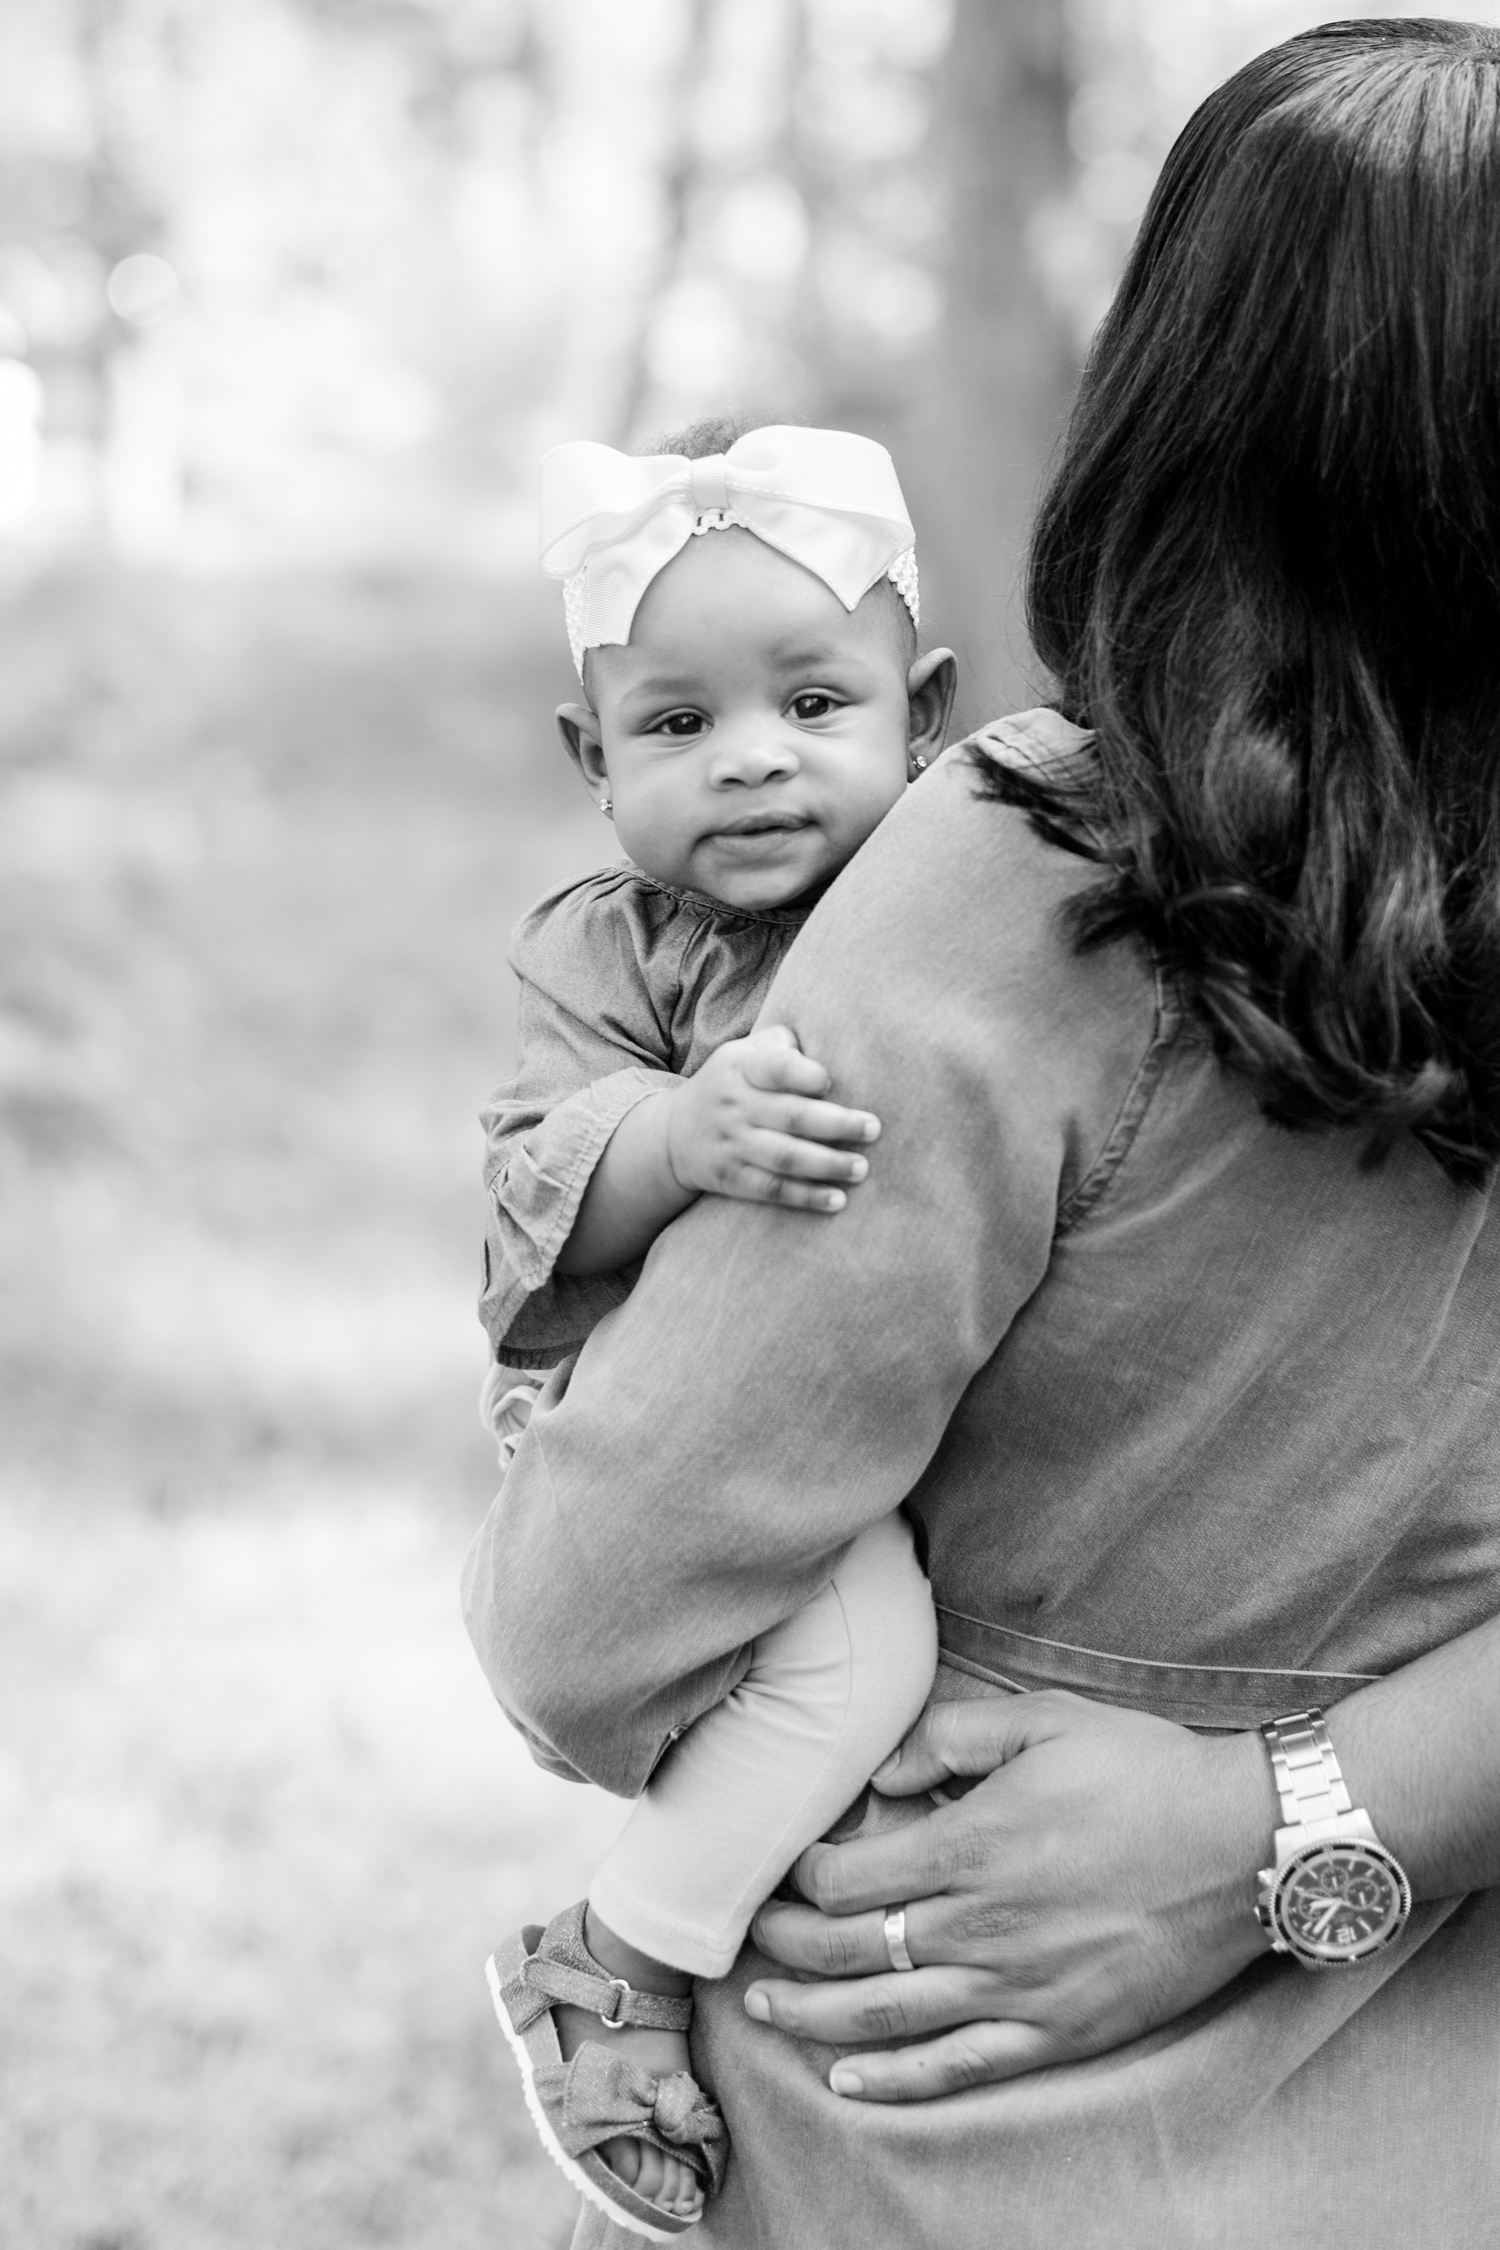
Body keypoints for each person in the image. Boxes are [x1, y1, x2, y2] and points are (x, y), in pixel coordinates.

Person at [465, 19, 1500, 2245]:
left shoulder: (1036, 866)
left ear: (1177, 393)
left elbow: (591, 1615)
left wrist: (1237, 1832)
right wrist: (1310, 1815)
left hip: (945, 2108)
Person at [476, 419, 961, 2234]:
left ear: (926, 716)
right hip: (651, 1405)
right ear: (591, 761)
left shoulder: (952, 894)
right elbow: (534, 1188)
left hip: (854, 1400)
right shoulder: (613, 951)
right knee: (856, 1657)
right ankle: (614, 1955)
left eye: (811, 705)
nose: (753, 762)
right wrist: (679, 1133)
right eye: (678, 727)